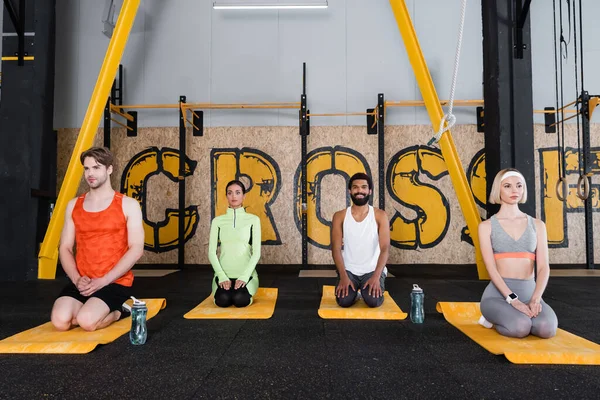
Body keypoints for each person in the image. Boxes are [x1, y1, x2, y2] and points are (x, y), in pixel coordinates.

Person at [51, 147, 144, 332]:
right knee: (60, 322)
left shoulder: (128, 205)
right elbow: (65, 248)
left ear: (109, 169)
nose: (90, 173)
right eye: (87, 169)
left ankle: (120, 311)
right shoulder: (73, 205)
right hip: (83, 281)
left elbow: (136, 249)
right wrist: (77, 280)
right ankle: (91, 306)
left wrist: (104, 281)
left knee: (86, 321)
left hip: (114, 281)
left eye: (96, 167)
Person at [478, 168, 558, 338]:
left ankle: (517, 315)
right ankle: (492, 318)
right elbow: (491, 269)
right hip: (498, 296)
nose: (514, 190)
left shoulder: (537, 225)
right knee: (520, 327)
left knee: (547, 329)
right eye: (507, 186)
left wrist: (536, 299)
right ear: (498, 189)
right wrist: (512, 299)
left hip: (530, 293)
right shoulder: (486, 227)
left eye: (519, 185)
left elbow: (543, 267)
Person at [330, 172, 390, 308]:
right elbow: (336, 248)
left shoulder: (380, 215)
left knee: (373, 301)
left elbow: (385, 248)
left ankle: (366, 289)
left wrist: (376, 276)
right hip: (349, 270)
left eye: (363, 187)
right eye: (355, 187)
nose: (359, 191)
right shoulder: (339, 216)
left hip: (372, 270)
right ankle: (356, 294)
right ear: (350, 191)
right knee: (344, 301)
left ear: (369, 191)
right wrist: (343, 276)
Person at [208, 180, 261, 307]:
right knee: (223, 300)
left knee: (240, 300)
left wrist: (244, 276)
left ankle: (245, 287)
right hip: (223, 275)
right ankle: (224, 287)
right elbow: (211, 253)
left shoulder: (253, 220)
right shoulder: (217, 221)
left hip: (246, 275)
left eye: (238, 193)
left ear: (244, 196)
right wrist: (221, 276)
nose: (233, 196)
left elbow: (256, 253)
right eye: (230, 193)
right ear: (226, 196)